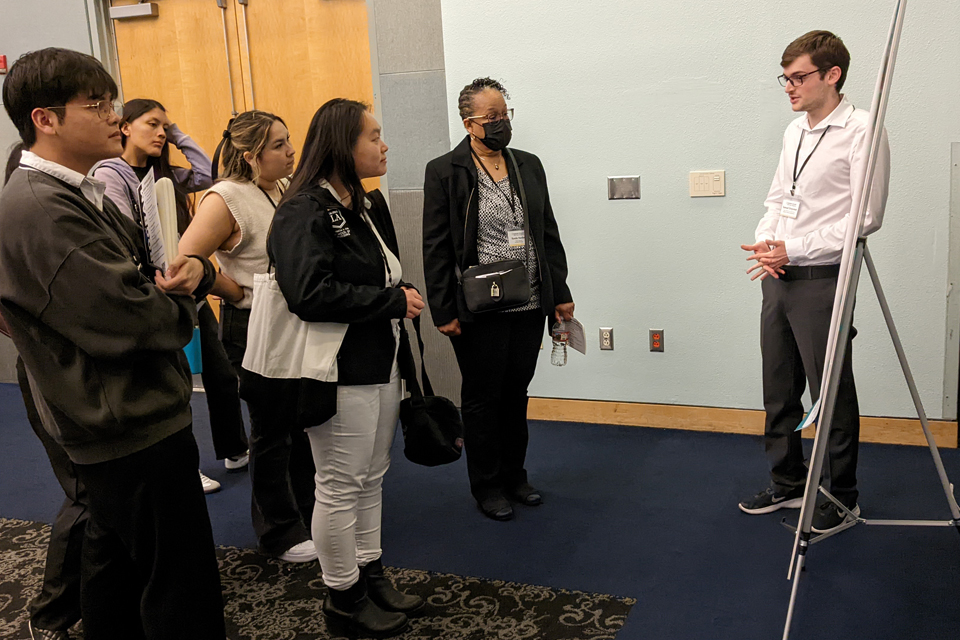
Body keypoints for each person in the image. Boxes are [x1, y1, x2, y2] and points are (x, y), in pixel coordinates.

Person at [0, 48, 226, 638]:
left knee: (117, 567)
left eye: (112, 103)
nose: (114, 118)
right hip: (124, 421)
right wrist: (188, 292)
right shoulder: (41, 208)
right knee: (178, 579)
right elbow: (132, 319)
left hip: (120, 414)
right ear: (44, 119)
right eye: (97, 105)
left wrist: (175, 284)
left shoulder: (67, 190)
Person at [268, 98, 425, 638]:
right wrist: (390, 302)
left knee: (372, 476)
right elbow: (307, 293)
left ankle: (371, 574)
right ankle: (343, 597)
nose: (384, 145)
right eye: (374, 136)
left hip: (379, 360)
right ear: (341, 143)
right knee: (338, 484)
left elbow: (381, 276)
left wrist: (397, 294)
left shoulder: (367, 203)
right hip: (335, 369)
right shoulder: (303, 209)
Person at [738, 31, 890, 534]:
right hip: (778, 275)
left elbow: (865, 216)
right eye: (785, 78)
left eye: (799, 77)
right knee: (779, 387)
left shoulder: (863, 130)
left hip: (823, 277)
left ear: (832, 75)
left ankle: (842, 498)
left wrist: (795, 248)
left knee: (830, 393)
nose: (789, 87)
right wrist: (767, 242)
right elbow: (779, 196)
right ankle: (789, 483)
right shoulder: (795, 132)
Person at [422, 77, 574, 521]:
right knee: (483, 397)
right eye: (493, 118)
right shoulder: (445, 171)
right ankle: (486, 485)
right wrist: (443, 309)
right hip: (478, 306)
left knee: (516, 393)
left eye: (506, 114)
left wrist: (559, 293)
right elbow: (436, 245)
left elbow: (547, 232)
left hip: (528, 302)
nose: (502, 123)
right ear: (470, 124)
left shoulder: (528, 164)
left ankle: (515, 476)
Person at [177, 110, 317, 562]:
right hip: (253, 324)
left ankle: (309, 515)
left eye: (288, 140)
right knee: (273, 431)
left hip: (291, 319)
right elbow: (187, 260)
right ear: (250, 155)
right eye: (279, 145)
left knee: (300, 425)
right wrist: (232, 290)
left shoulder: (279, 187)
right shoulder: (224, 197)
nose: (291, 150)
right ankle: (278, 532)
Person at [92, 99, 250, 494]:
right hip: (154, 294)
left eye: (165, 126)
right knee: (174, 383)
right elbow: (126, 236)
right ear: (125, 127)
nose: (161, 133)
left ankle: (235, 448)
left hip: (188, 288)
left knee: (220, 373)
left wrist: (178, 132)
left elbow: (208, 174)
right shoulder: (112, 173)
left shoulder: (166, 173)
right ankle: (186, 466)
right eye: (152, 124)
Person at [4, 143, 87, 640]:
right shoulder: (24, 217)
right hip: (45, 371)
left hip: (74, 372)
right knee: (83, 494)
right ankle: (51, 613)